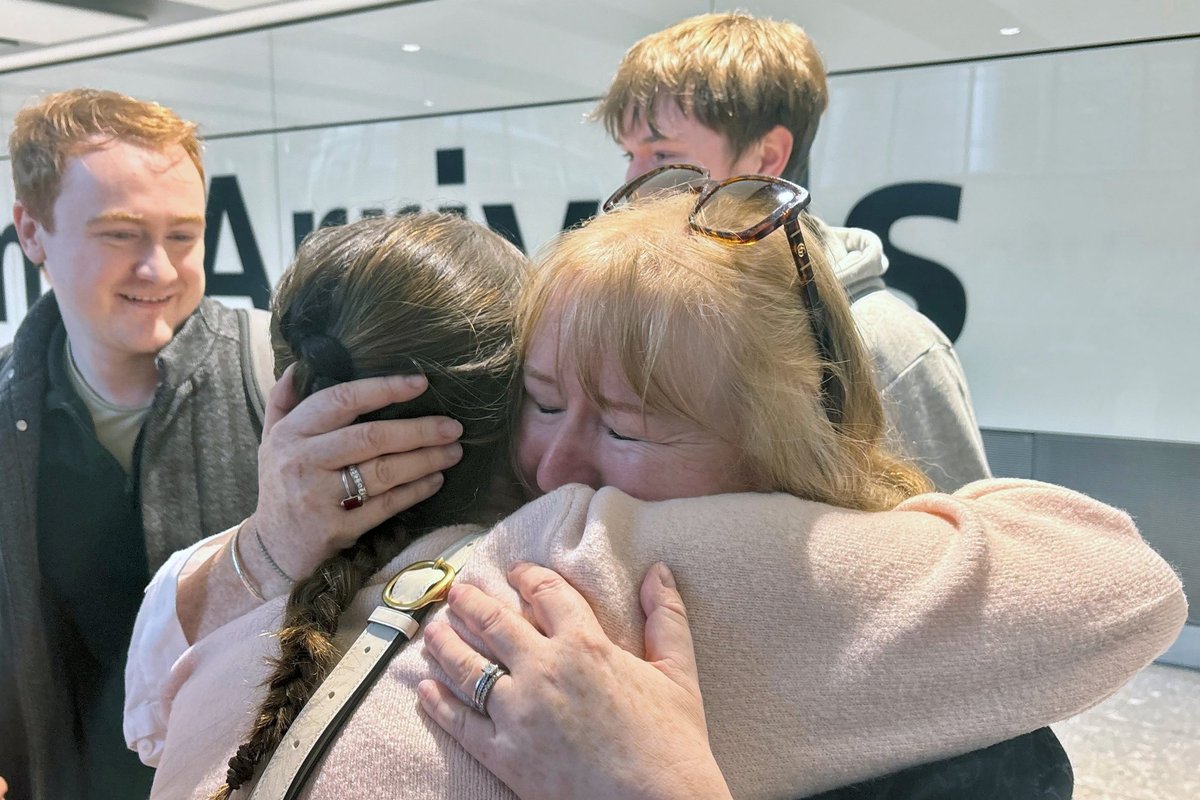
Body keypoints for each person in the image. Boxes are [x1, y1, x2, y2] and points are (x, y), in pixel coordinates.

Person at [133, 184, 1185, 799]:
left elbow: (156, 705)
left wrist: (271, 553)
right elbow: (1123, 581)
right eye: (540, 400)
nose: (554, 461)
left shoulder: (471, 554)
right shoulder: (604, 549)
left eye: (628, 425)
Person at [0, 88, 455, 800]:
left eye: (182, 235)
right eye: (119, 235)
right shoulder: (9, 416)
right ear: (31, 231)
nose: (158, 269)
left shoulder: (282, 381)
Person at [594, 11, 990, 492]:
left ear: (766, 157)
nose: (633, 186)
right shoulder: (648, 311)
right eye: (628, 155)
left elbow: (965, 539)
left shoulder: (886, 342)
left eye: (661, 155)